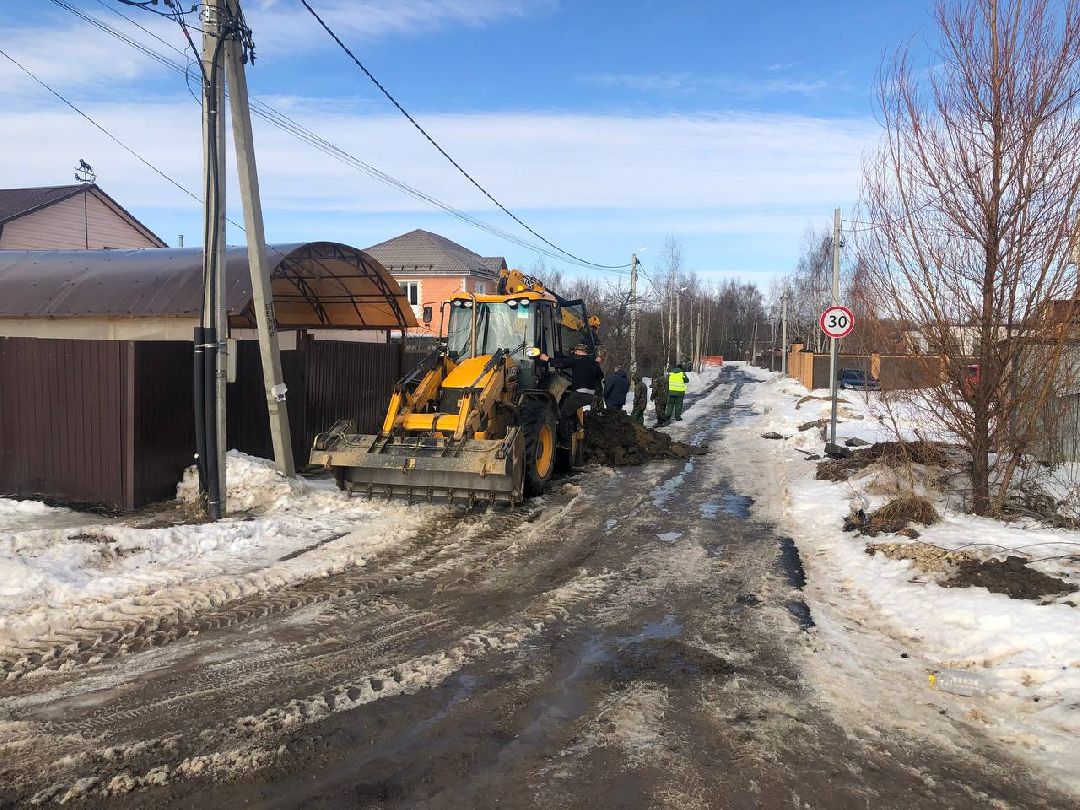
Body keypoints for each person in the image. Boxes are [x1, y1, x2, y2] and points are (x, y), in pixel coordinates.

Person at [542, 343, 605, 419]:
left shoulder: (576, 360)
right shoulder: (594, 363)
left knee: (564, 415)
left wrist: (547, 359)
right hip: (591, 396)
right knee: (572, 411)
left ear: (578, 351)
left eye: (575, 352)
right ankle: (578, 424)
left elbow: (562, 362)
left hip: (579, 395)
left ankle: (564, 430)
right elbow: (600, 376)